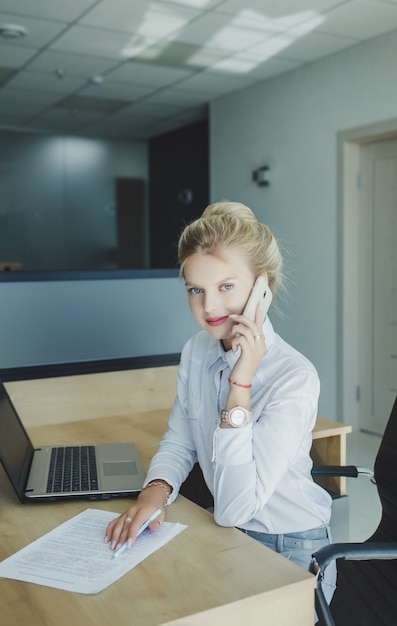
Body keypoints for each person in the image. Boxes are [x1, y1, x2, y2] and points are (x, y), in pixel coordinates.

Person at [105, 200, 336, 608]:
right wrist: (154, 493)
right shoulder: (197, 350)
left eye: (225, 287)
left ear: (260, 288)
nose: (208, 307)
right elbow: (180, 440)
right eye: (196, 289)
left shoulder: (293, 378)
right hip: (226, 534)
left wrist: (240, 381)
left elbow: (234, 508)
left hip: (289, 548)